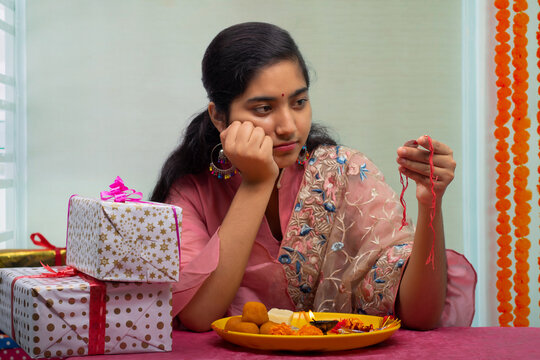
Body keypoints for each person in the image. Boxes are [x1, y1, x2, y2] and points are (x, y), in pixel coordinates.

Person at [151, 22, 476, 332]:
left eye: (299, 102)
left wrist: (430, 202)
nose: (288, 126)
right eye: (264, 108)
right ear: (219, 117)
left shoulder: (344, 175)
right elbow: (197, 315)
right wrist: (257, 183)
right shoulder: (192, 190)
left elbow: (421, 316)